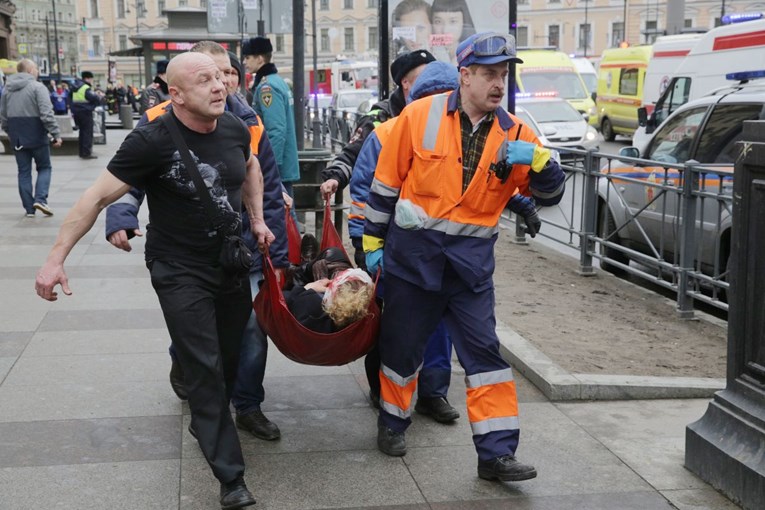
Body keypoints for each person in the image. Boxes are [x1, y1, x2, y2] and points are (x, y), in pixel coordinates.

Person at [34, 52, 272, 509]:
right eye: (204, 81)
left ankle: (201, 406)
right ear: (176, 94)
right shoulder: (151, 139)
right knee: (206, 368)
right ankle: (231, 478)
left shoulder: (236, 127)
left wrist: (257, 220)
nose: (219, 86)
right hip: (179, 268)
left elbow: (251, 170)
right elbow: (95, 197)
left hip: (229, 262)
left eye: (221, 78)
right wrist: (55, 259)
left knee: (225, 358)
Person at [364, 32, 565, 482]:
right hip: (413, 263)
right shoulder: (418, 116)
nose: (499, 83)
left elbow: (550, 194)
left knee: (485, 357)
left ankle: (496, 455)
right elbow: (384, 186)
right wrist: (372, 245)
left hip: (469, 270)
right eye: (490, 74)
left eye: (504, 74)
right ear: (465, 75)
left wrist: (539, 161)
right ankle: (393, 423)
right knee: (400, 349)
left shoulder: (516, 133)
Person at [104, 41, 288, 443]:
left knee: (252, 329)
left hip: (243, 250)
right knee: (198, 336)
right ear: (184, 88)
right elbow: (133, 173)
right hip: (188, 252)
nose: (221, 83)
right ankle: (190, 372)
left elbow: (267, 184)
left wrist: (274, 246)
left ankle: (248, 404)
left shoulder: (248, 122)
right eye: (210, 75)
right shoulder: (160, 118)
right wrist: (121, 213)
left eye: (227, 74)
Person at [351, 60, 467, 422]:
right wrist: (366, 245)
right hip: (396, 251)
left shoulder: (470, 135)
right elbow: (363, 192)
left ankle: (433, 394)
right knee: (394, 328)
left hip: (445, 253)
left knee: (438, 330)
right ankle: (385, 394)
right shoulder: (387, 133)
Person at [320, 49, 436, 268]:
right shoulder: (379, 120)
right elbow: (351, 153)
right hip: (376, 226)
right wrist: (334, 177)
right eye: (424, 78)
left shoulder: (436, 117)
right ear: (406, 83)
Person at [0, 59, 62, 217]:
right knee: (44, 167)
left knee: (24, 171)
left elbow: (3, 116)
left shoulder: (7, 89)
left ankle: (29, 209)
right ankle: (40, 199)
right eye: (35, 68)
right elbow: (46, 114)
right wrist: (55, 134)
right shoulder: (37, 87)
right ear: (29, 70)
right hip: (36, 134)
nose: (37, 71)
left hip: (17, 136)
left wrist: (11, 132)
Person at [242, 37, 300, 202]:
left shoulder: (267, 87)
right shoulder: (277, 81)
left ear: (260, 58)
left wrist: (267, 166)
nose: (245, 62)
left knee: (284, 213)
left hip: (276, 163)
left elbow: (275, 129)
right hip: (283, 160)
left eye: (248, 57)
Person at [430, 0, 476, 65]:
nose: (445, 30)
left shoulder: (474, 54)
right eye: (438, 22)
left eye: (453, 21)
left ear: (464, 23)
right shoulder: (427, 52)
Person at [71, 71, 101, 159]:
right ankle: (86, 153)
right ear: (87, 78)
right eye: (91, 79)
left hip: (77, 112)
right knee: (87, 132)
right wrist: (97, 98)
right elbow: (95, 98)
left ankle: (81, 152)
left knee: (82, 132)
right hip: (86, 112)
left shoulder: (75, 86)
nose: (92, 81)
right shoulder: (85, 87)